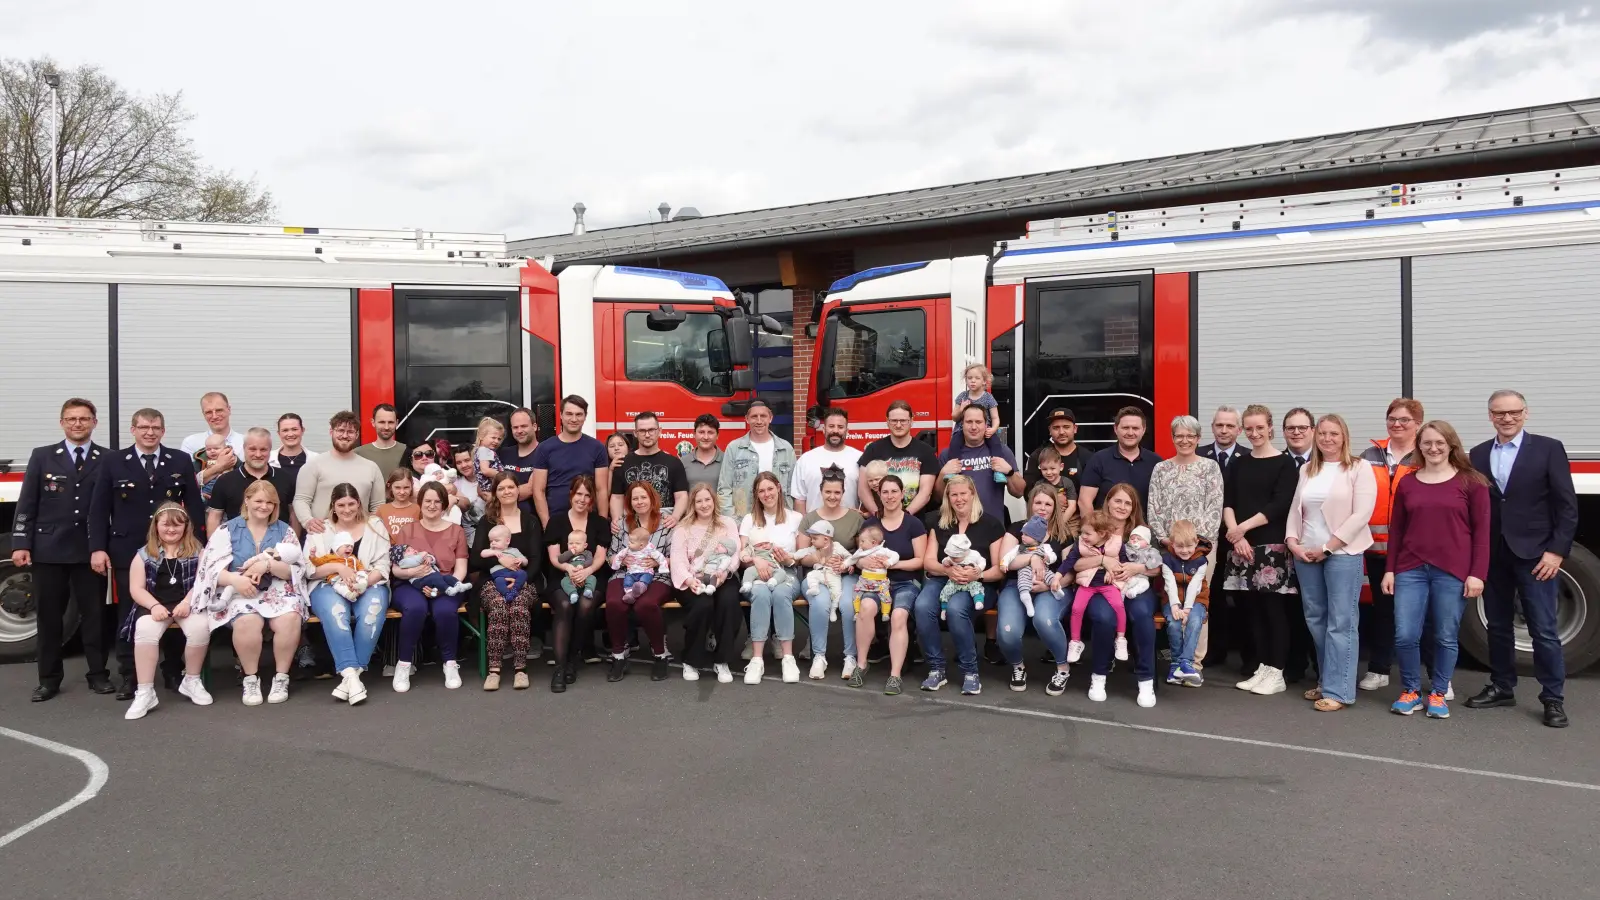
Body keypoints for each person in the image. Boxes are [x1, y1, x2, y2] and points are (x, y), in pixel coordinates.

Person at [1466, 390, 1579, 728]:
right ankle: (1502, 686)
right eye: (1500, 413)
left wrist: (1556, 552)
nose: (1507, 418)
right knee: (1498, 625)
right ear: (1490, 416)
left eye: (1514, 412)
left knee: (1543, 629)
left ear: (1525, 413)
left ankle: (1553, 698)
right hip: (1494, 553)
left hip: (1536, 555)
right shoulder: (1479, 454)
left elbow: (1567, 506)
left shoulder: (1548, 448)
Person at [89, 406, 205, 700]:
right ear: (133, 430)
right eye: (143, 427)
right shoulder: (113, 461)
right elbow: (99, 509)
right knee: (130, 613)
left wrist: (197, 546)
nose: (149, 433)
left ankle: (172, 670)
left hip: (174, 551)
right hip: (128, 550)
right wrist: (98, 548)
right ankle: (130, 676)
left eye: (155, 428)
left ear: (163, 431)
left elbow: (194, 505)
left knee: (175, 608)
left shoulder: (179, 460)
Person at [1382, 421, 1489, 719]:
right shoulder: (1408, 483)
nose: (1433, 448)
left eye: (1440, 442)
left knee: (1445, 636)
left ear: (1451, 445)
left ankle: (1439, 693)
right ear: (1419, 447)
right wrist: (1390, 570)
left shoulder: (1472, 482)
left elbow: (1482, 533)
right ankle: (1411, 691)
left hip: (1452, 571)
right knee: (1405, 635)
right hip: (1410, 569)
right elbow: (1397, 530)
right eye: (1427, 443)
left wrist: (1477, 574)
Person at [15, 398, 111, 701]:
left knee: (95, 616)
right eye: (71, 419)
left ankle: (98, 674)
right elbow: (27, 502)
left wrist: (104, 546)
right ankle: (48, 679)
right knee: (49, 618)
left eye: (84, 418)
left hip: (90, 550)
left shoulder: (108, 458)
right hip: (49, 550)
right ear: (62, 423)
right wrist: (21, 543)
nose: (77, 423)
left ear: (94, 422)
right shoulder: (42, 456)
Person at [1285, 413, 1376, 712]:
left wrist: (1328, 547)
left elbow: (1361, 515)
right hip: (1306, 554)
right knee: (1316, 620)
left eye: (1333, 433)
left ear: (1344, 436)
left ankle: (1340, 691)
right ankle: (1326, 682)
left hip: (1342, 554)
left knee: (1341, 622)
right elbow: (1296, 509)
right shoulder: (1308, 469)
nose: (1327, 438)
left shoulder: (1359, 468)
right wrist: (1293, 542)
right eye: (1322, 433)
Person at [192, 480, 306, 706]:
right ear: (247, 500)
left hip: (277, 587)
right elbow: (210, 571)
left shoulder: (285, 530)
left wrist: (268, 565)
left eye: (270, 503)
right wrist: (235, 579)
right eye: (259, 501)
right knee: (247, 621)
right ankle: (250, 678)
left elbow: (295, 570)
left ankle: (281, 677)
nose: (264, 506)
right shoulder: (227, 530)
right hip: (238, 588)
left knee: (290, 618)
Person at [1052, 482, 1162, 707]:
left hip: (1134, 585)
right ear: (1108, 502)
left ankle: (1146, 680)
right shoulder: (1093, 525)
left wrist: (1135, 568)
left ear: (1134, 508)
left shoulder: (1141, 532)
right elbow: (1075, 563)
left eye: (1128, 503)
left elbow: (1157, 567)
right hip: (1100, 585)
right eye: (1117, 500)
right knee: (1104, 617)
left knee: (1142, 614)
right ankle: (1098, 677)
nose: (1122, 506)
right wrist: (1103, 560)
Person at [1222, 405, 1300, 697]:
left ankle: (1277, 671)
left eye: (1260, 428)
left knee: (1273, 611)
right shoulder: (1238, 463)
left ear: (1270, 428)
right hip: (1241, 546)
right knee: (1251, 610)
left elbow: (1278, 505)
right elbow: (1228, 502)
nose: (1254, 433)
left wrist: (1242, 529)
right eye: (1249, 428)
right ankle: (1263, 668)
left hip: (1271, 546)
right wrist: (1236, 535)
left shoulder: (1284, 463)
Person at [913, 473, 1006, 696]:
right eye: (953, 495)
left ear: (973, 494)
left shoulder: (991, 524)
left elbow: (999, 570)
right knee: (922, 606)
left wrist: (977, 575)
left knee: (956, 609)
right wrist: (947, 570)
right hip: (943, 579)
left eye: (963, 493)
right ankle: (936, 668)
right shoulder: (939, 522)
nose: (959, 499)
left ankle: (970, 672)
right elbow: (929, 562)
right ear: (948, 497)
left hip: (979, 585)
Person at [121, 503, 213, 719]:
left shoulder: (198, 552)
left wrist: (187, 602)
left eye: (177, 525)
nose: (171, 529)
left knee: (200, 627)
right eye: (166, 525)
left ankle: (191, 680)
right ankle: (145, 691)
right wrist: (154, 606)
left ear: (186, 527)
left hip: (187, 603)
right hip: (154, 604)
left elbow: (203, 582)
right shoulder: (143, 554)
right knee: (145, 630)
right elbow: (136, 588)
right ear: (156, 526)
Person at [302, 483, 391, 706]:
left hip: (368, 581)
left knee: (372, 612)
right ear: (333, 506)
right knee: (337, 613)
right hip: (327, 583)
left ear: (359, 503)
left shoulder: (375, 526)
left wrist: (363, 583)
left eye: (352, 504)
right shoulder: (321, 529)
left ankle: (350, 678)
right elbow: (309, 570)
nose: (347, 509)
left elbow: (383, 565)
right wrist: (338, 568)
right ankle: (352, 676)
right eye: (341, 505)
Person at [1146, 414, 1223, 670]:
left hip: (1200, 549)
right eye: (1179, 435)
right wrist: (1166, 540)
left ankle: (1195, 660)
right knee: (1171, 598)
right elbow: (1153, 508)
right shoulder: (1161, 469)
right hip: (1168, 548)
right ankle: (1176, 656)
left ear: (1198, 438)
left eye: (1190, 436)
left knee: (1197, 601)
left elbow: (1215, 508)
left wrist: (1193, 545)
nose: (1185, 440)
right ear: (1172, 438)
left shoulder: (1210, 467)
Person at [1357, 398, 1424, 693]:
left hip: (1413, 551)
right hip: (1376, 550)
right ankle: (1379, 669)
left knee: (1420, 614)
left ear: (1418, 424)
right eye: (1392, 419)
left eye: (1404, 420)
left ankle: (1435, 676)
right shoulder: (1370, 455)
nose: (1397, 424)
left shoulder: (1426, 454)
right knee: (1382, 611)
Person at [994, 483, 1078, 695]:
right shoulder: (1017, 529)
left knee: (1044, 620)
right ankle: (1018, 666)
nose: (1042, 507)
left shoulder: (1063, 534)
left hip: (1053, 586)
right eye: (1038, 502)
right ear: (1030, 504)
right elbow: (1004, 563)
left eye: (1048, 504)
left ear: (1055, 506)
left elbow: (1071, 573)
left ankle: (1063, 668)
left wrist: (1050, 585)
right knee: (1007, 630)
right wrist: (1032, 558)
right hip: (1016, 584)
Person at [389, 481, 469, 693]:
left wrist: (443, 586)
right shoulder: (407, 530)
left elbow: (461, 568)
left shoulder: (456, 531)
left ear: (444, 505)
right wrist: (413, 573)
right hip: (410, 583)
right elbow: (396, 570)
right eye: (427, 501)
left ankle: (450, 663)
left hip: (445, 583)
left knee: (445, 611)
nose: (432, 506)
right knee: (415, 608)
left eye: (437, 501)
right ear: (420, 503)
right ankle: (404, 664)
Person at [469, 473, 544, 691]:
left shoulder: (530, 521)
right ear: (495, 493)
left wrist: (521, 580)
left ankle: (520, 669)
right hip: (492, 579)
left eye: (511, 487)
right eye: (501, 488)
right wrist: (500, 559)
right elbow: (475, 559)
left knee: (519, 605)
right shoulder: (487, 522)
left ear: (518, 490)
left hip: (525, 579)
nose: (507, 491)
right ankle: (494, 670)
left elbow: (536, 558)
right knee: (499, 605)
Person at [601, 481, 675, 682]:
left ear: (652, 499)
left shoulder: (666, 523)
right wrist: (621, 560)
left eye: (644, 497)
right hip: (625, 573)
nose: (640, 501)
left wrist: (659, 561)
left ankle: (660, 655)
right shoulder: (622, 524)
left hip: (657, 574)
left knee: (646, 604)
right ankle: (618, 655)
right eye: (635, 498)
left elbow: (676, 555)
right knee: (615, 603)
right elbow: (611, 555)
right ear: (629, 502)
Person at [543, 473, 610, 691]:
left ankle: (572, 658)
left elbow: (600, 556)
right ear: (571, 494)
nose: (582, 499)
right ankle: (560, 668)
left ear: (592, 499)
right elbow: (554, 557)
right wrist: (569, 568)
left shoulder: (600, 523)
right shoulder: (556, 521)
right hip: (562, 574)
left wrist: (587, 571)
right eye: (579, 494)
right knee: (564, 605)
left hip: (592, 575)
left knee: (585, 605)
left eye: (587, 495)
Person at [671, 483, 744, 683]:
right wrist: (689, 580)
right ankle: (691, 660)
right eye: (699, 501)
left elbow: (735, 552)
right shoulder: (683, 529)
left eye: (707, 500)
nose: (704, 505)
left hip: (722, 575)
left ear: (714, 501)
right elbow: (677, 560)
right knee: (702, 604)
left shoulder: (727, 523)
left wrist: (725, 572)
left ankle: (722, 660)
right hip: (692, 578)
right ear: (693, 504)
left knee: (729, 601)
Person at [797, 469, 866, 678]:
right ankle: (819, 656)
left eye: (837, 492)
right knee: (820, 601)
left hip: (848, 574)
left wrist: (846, 564)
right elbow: (802, 556)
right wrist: (822, 560)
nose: (832, 496)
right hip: (817, 574)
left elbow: (862, 551)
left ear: (843, 493)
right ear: (821, 491)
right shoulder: (810, 519)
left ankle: (850, 656)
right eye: (828, 492)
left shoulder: (855, 518)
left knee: (848, 604)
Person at [739, 471, 804, 684]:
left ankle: (788, 658)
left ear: (778, 488)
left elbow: (801, 556)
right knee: (760, 592)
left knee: (781, 593)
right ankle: (757, 659)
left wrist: (789, 559)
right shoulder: (749, 519)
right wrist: (755, 561)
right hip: (756, 574)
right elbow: (742, 555)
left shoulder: (795, 518)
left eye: (770, 488)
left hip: (786, 573)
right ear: (756, 495)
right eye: (761, 491)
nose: (767, 494)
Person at [292, 410, 385, 532]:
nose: (345, 436)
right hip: (323, 534)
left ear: (357, 435)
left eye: (350, 432)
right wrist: (307, 521)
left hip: (360, 536)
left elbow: (378, 505)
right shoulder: (313, 465)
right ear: (331, 432)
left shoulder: (371, 467)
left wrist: (371, 527)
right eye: (340, 430)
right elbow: (301, 499)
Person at [938, 403, 1025, 524]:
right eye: (969, 422)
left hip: (993, 527)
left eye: (978, 422)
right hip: (958, 527)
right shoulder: (947, 455)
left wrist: (1009, 472)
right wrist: (942, 474)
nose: (974, 427)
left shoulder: (1002, 452)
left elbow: (1019, 492)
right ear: (962, 424)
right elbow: (937, 498)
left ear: (986, 425)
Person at [1279, 407, 1317, 683]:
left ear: (1312, 431)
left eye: (1302, 427)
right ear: (1283, 432)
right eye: (1291, 428)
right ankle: (1294, 665)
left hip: (1316, 547)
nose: (1296, 432)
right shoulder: (1277, 462)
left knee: (1317, 608)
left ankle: (1322, 667)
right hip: (1283, 546)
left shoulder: (1328, 462)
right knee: (1289, 608)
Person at [1063, 511, 1129, 665]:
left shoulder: (1117, 543)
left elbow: (1123, 563)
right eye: (1082, 532)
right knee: (1076, 608)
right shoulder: (1081, 544)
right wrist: (1058, 576)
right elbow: (1071, 562)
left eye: (1087, 533)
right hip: (1087, 584)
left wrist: (1112, 571)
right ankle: (1075, 641)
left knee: (1119, 606)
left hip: (1108, 584)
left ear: (1101, 534)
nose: (1083, 536)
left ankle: (1120, 638)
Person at [531, 395, 609, 526]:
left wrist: (602, 525)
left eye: (579, 414)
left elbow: (601, 490)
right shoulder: (544, 448)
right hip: (556, 520)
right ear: (561, 415)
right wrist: (547, 525)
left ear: (585, 416)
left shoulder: (597, 448)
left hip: (589, 521)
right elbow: (538, 490)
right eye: (569, 414)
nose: (574, 419)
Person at [207, 427, 298, 536]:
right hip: (236, 543)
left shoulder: (286, 478)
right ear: (244, 448)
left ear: (270, 449)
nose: (258, 454)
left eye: (263, 449)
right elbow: (215, 517)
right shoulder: (225, 480)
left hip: (279, 543)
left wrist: (293, 542)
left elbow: (294, 515)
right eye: (252, 449)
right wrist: (213, 545)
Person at [857, 400, 939, 518]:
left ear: (911, 421)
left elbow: (925, 493)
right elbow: (863, 489)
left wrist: (904, 516)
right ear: (887, 422)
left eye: (903, 421)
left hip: (913, 520)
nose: (899, 425)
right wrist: (878, 514)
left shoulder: (926, 451)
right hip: (880, 520)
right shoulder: (873, 449)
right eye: (894, 421)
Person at [718, 399, 796, 519]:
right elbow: (724, 489)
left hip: (779, 519)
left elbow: (793, 490)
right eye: (754, 416)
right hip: (744, 519)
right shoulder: (734, 448)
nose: (759, 421)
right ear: (747, 419)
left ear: (770, 418)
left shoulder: (786, 449)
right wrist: (733, 521)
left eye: (763, 416)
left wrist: (788, 518)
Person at [1078, 406, 1162, 517]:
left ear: (1143, 430)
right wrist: (1093, 526)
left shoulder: (1156, 462)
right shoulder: (1098, 460)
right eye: (1125, 428)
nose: (1130, 433)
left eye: (1135, 428)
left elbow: (1163, 502)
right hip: (1107, 526)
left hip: (1144, 527)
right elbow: (1084, 501)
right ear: (1115, 429)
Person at [611, 411, 689, 525]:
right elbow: (617, 497)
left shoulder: (674, 463)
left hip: (665, 525)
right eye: (642, 431)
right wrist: (617, 521)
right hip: (633, 525)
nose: (647, 435)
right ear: (635, 433)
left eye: (651, 430)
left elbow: (682, 495)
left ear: (659, 431)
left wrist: (675, 517)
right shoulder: (623, 463)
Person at [1162, 520, 1212, 687]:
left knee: (1195, 620)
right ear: (1172, 544)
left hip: (1196, 599)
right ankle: (1175, 665)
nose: (1185, 550)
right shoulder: (1167, 560)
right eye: (1180, 546)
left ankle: (1186, 663)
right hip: (1172, 599)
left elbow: (1194, 586)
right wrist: (1175, 606)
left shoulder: (1201, 561)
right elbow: (1169, 584)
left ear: (1196, 543)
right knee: (1173, 622)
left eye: (1189, 546)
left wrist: (1188, 609)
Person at [792, 407, 862, 513]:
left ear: (847, 431)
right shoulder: (806, 460)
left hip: (850, 523)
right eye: (831, 426)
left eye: (840, 427)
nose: (835, 431)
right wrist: (804, 523)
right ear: (824, 430)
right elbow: (799, 500)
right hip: (814, 524)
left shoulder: (860, 458)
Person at [1025, 408, 1087, 494]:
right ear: (1050, 430)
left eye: (1066, 427)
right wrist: (1054, 498)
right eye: (1056, 428)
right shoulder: (1038, 456)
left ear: (1075, 428)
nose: (1061, 432)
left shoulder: (1087, 457)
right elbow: (1028, 491)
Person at [178, 391, 245, 463]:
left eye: (219, 410)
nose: (214, 416)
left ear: (229, 409)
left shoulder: (245, 442)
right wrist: (218, 467)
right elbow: (185, 470)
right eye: (209, 412)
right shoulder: (191, 443)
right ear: (203, 414)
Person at [498, 407, 542, 502]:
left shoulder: (544, 453)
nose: (519, 431)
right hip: (503, 511)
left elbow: (530, 489)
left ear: (534, 427)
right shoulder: (503, 453)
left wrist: (495, 497)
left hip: (532, 512)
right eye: (515, 427)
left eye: (523, 426)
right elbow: (483, 485)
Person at [354, 403, 407, 477]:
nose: (386, 427)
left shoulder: (407, 451)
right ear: (373, 422)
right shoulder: (358, 453)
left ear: (397, 423)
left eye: (390, 422)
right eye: (382, 422)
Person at [951, 362, 1000, 440]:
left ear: (984, 381)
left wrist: (993, 429)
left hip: (984, 432)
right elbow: (954, 418)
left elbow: (995, 418)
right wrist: (961, 410)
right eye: (969, 378)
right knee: (954, 444)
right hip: (962, 432)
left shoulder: (988, 398)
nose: (973, 381)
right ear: (966, 380)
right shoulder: (962, 396)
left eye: (977, 378)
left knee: (996, 445)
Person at [449, 445, 486, 545]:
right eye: (459, 463)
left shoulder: (488, 480)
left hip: (492, 539)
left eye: (467, 460)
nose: (463, 465)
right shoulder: (455, 484)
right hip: (467, 542)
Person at [680, 413, 724, 491]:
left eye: (710, 432)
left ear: (717, 435)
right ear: (694, 434)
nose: (706, 437)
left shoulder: (727, 460)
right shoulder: (683, 462)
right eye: (701, 432)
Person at [1200, 406, 1247, 472]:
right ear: (1212, 428)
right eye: (1219, 425)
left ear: (1239, 430)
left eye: (1230, 426)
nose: (1224, 431)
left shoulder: (1249, 457)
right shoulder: (1197, 455)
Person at [375, 468, 419, 538]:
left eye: (406, 487)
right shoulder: (382, 510)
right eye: (397, 487)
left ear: (412, 485)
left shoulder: (418, 509)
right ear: (389, 486)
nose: (402, 492)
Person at [472, 416, 506, 486]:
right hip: (491, 486)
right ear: (481, 436)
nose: (496, 441)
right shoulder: (485, 450)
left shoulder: (480, 450)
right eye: (493, 437)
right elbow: (485, 470)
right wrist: (503, 476)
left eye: (499, 439)